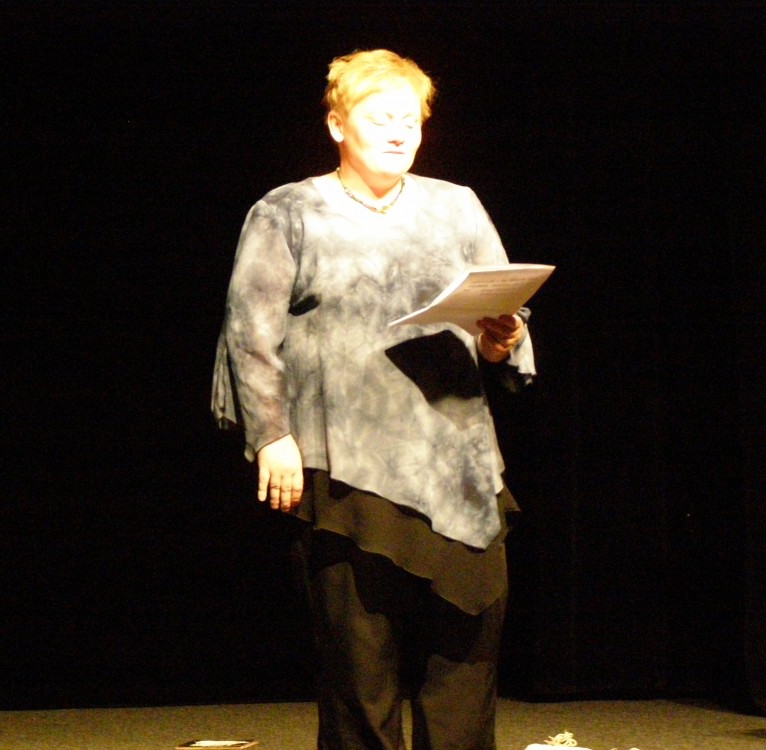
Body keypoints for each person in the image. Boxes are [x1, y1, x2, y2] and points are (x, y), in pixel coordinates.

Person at [212, 49, 535, 750]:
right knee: (360, 675)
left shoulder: (456, 206)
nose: (398, 132)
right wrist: (271, 434)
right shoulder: (289, 211)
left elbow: (503, 323)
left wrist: (503, 338)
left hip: (455, 466)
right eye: (379, 116)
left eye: (410, 120)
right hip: (347, 470)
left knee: (466, 660)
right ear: (337, 124)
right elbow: (250, 332)